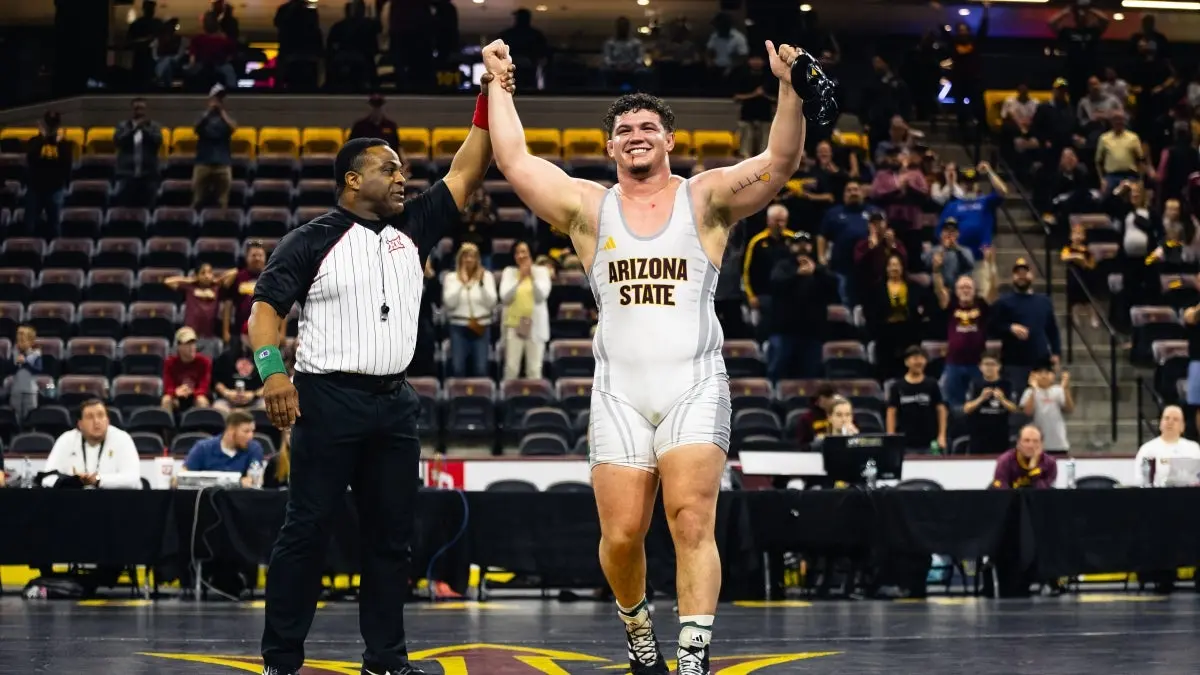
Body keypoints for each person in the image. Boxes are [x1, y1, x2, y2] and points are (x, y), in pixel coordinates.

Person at [484, 36, 836, 675]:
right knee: (621, 536)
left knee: (690, 518)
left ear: (670, 140)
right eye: (624, 130)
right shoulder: (588, 208)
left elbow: (780, 160)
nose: (636, 135)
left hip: (695, 385)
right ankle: (638, 628)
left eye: (648, 126)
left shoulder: (706, 198)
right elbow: (512, 160)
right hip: (619, 392)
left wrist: (788, 88)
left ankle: (694, 653)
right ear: (610, 146)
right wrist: (499, 86)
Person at [251, 48, 507, 675]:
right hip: (326, 398)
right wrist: (272, 373)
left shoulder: (412, 228)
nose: (401, 177)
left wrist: (488, 91)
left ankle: (386, 660)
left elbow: (471, 167)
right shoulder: (309, 239)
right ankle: (281, 660)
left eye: (403, 169)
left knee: (392, 539)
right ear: (350, 180)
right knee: (305, 533)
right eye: (388, 169)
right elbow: (263, 313)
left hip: (395, 405)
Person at [38, 399, 141, 490]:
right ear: (80, 424)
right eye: (90, 417)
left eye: (101, 415)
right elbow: (47, 479)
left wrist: (98, 480)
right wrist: (72, 482)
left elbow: (133, 479)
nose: (96, 421)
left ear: (108, 420)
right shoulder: (66, 440)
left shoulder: (122, 439)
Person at [498, 240, 552, 380]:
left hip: (535, 326)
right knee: (511, 368)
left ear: (530, 254)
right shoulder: (509, 272)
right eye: (517, 252)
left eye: (524, 252)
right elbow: (505, 297)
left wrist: (531, 277)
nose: (521, 255)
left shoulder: (541, 272)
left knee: (534, 370)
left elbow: (541, 296)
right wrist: (520, 279)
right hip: (514, 326)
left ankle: (535, 402)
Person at [181, 410, 265, 486]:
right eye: (246, 431)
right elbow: (182, 477)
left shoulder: (254, 448)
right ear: (231, 430)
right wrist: (238, 482)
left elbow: (253, 481)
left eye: (252, 431)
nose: (251, 436)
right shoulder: (203, 448)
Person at [1134, 405, 1200, 487]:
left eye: (1175, 419)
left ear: (1182, 427)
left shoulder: (1194, 448)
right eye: (1166, 418)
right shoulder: (1147, 449)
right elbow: (1140, 478)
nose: (1170, 422)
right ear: (1160, 424)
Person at [991, 424, 1056, 489]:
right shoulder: (1005, 460)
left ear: (1042, 444)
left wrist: (1033, 467)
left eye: (1035, 441)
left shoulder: (1050, 463)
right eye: (1026, 440)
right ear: (1018, 443)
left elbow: (1043, 492)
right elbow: (1001, 489)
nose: (1030, 445)